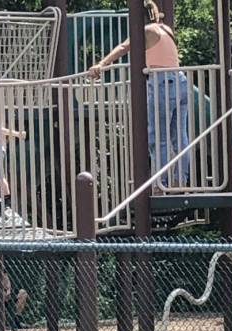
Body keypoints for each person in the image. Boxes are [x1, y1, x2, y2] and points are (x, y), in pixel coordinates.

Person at [88, 0, 189, 189]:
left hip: (161, 82)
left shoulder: (147, 31)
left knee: (157, 136)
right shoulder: (166, 29)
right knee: (179, 136)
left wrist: (101, 64)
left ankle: (161, 184)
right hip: (180, 80)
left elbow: (124, 47)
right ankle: (180, 181)